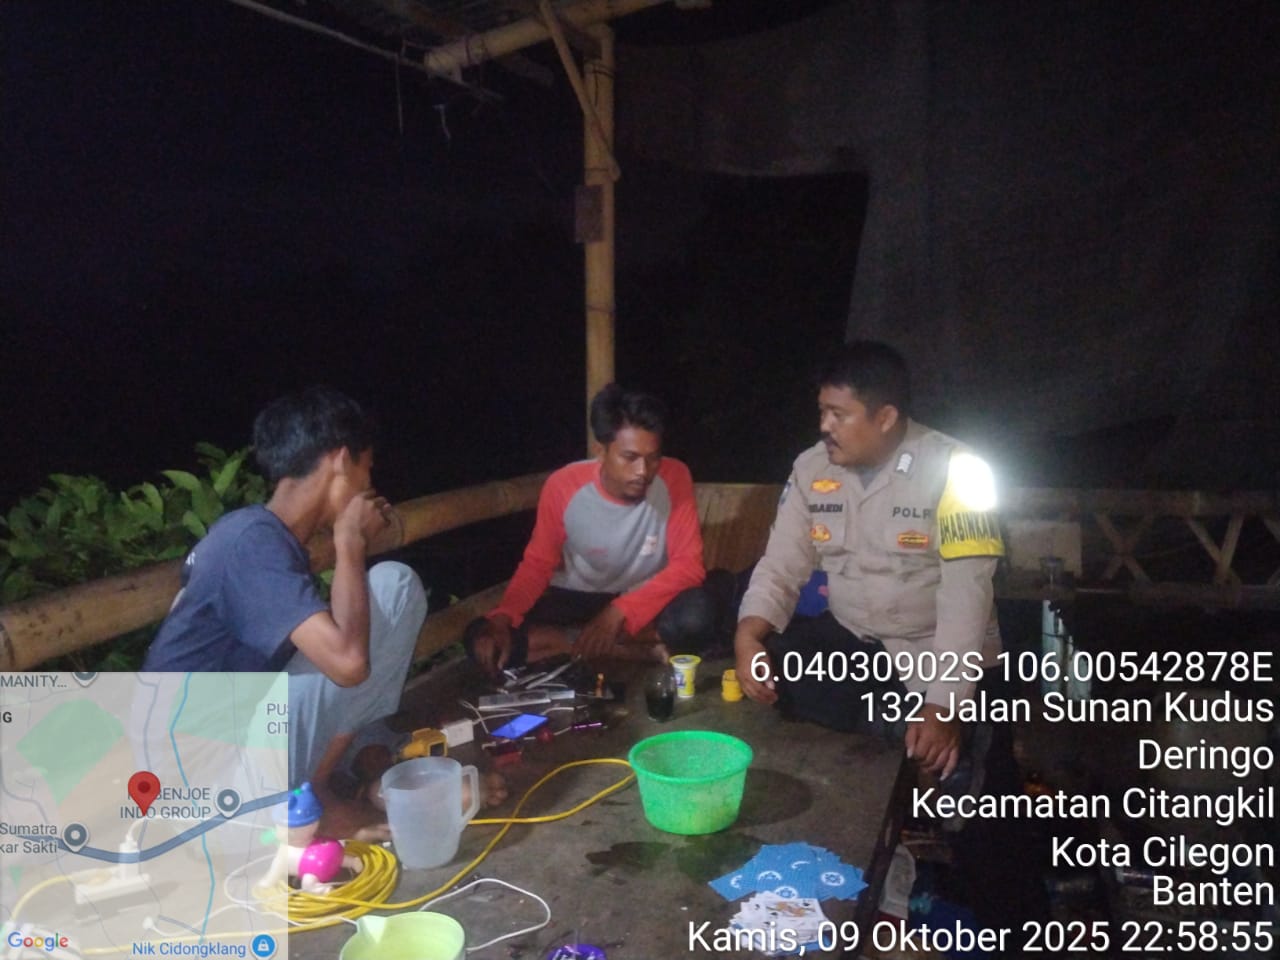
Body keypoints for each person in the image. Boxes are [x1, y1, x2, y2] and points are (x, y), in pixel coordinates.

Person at [142, 386, 427, 837]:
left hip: (222, 756)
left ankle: (323, 789)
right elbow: (348, 664)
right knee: (390, 591)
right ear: (341, 460)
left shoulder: (262, 538)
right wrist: (350, 542)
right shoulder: (250, 541)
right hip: (199, 780)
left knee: (390, 588)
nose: (369, 485)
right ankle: (313, 805)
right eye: (367, 467)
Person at [733, 341, 1005, 782]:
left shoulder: (960, 470)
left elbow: (966, 598)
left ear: (885, 417)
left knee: (970, 753)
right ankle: (894, 729)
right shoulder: (811, 469)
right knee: (777, 664)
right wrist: (748, 637)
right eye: (822, 411)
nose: (824, 426)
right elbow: (781, 564)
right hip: (856, 640)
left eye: (838, 415)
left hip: (932, 648)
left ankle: (938, 735)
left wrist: (945, 704)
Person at [466, 384, 720, 675]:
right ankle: (627, 648)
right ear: (601, 451)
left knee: (697, 615)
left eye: (652, 458)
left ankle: (572, 643)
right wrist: (504, 617)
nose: (643, 471)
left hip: (643, 598)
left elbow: (688, 566)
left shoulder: (675, 476)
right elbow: (538, 564)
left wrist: (618, 612)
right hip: (578, 597)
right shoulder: (563, 486)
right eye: (630, 457)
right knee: (481, 638)